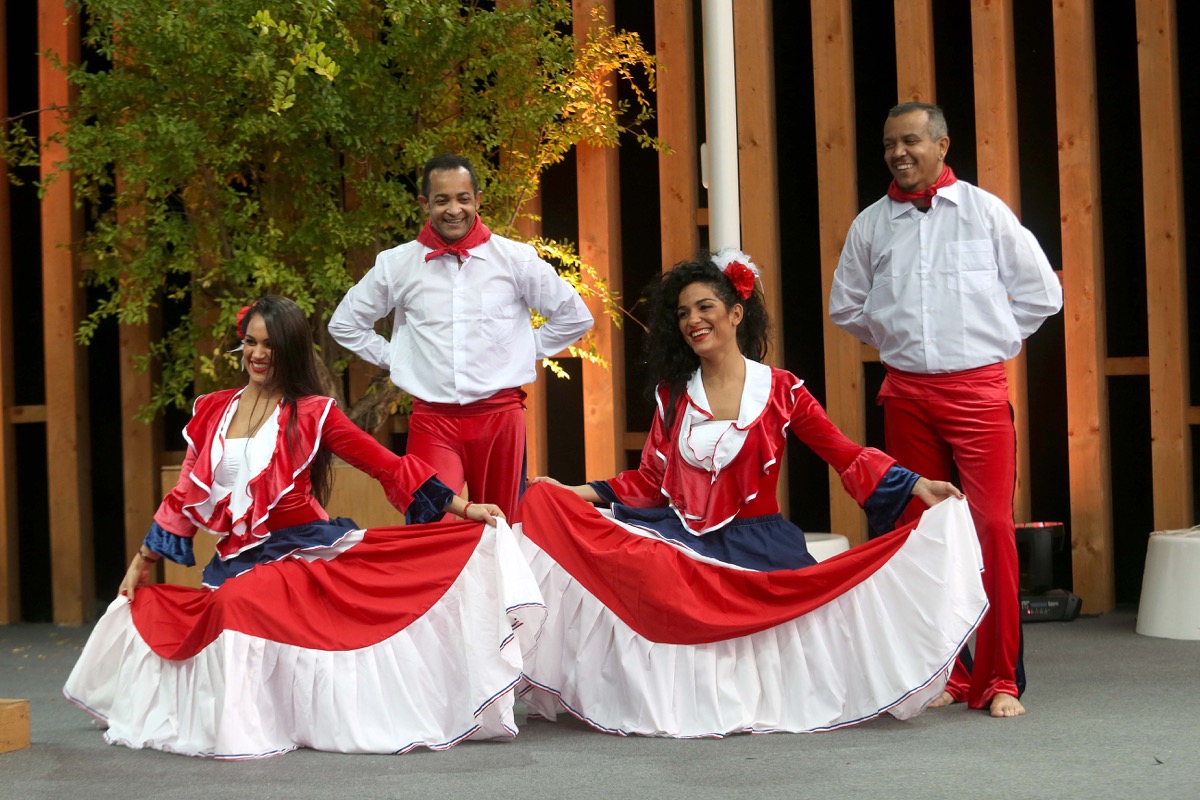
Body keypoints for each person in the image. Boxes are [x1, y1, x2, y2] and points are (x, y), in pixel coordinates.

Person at [513, 253, 989, 738]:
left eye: (704, 308)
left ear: (735, 313)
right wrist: (570, 492)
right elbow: (650, 483)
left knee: (807, 603)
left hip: (758, 544)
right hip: (686, 543)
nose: (693, 321)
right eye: (682, 314)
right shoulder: (673, 395)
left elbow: (844, 454)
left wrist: (914, 483)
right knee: (562, 518)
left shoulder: (782, 389)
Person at [64, 295, 544, 758]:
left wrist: (464, 508)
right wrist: (141, 562)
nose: (257, 354)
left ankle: (267, 724)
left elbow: (388, 466)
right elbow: (184, 494)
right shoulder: (212, 410)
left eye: (269, 345)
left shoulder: (316, 413)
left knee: (237, 604)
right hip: (237, 559)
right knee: (172, 606)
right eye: (250, 342)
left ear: (289, 350)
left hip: (301, 553)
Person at [828, 102, 1064, 718]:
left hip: (980, 393)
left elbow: (1043, 294)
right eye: (888, 145)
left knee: (989, 528)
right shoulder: (872, 225)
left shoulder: (985, 212)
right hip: (906, 392)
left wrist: (988, 338)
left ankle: (997, 680)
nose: (898, 154)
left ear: (941, 145)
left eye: (910, 141)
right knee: (915, 531)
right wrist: (899, 336)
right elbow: (845, 306)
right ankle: (938, 676)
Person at [328, 154, 594, 518]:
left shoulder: (515, 258)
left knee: (507, 525)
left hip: (500, 414)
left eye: (463, 199)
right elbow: (345, 323)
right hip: (432, 418)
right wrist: (401, 359)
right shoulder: (397, 263)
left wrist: (519, 350)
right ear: (425, 204)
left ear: (478, 200)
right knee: (429, 520)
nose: (454, 209)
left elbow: (574, 316)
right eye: (442, 200)